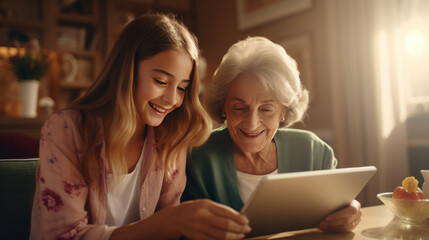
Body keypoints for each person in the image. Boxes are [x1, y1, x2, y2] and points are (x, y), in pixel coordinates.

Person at [30, 14, 251, 240]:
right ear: (126, 70)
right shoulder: (66, 130)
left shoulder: (171, 137)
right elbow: (62, 235)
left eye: (182, 88)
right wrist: (167, 222)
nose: (172, 99)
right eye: (161, 82)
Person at [181, 36, 362, 233]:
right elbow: (183, 232)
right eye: (239, 107)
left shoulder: (314, 151)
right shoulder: (197, 157)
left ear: (283, 111)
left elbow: (338, 210)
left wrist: (349, 211)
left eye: (266, 109)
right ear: (223, 107)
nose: (252, 123)